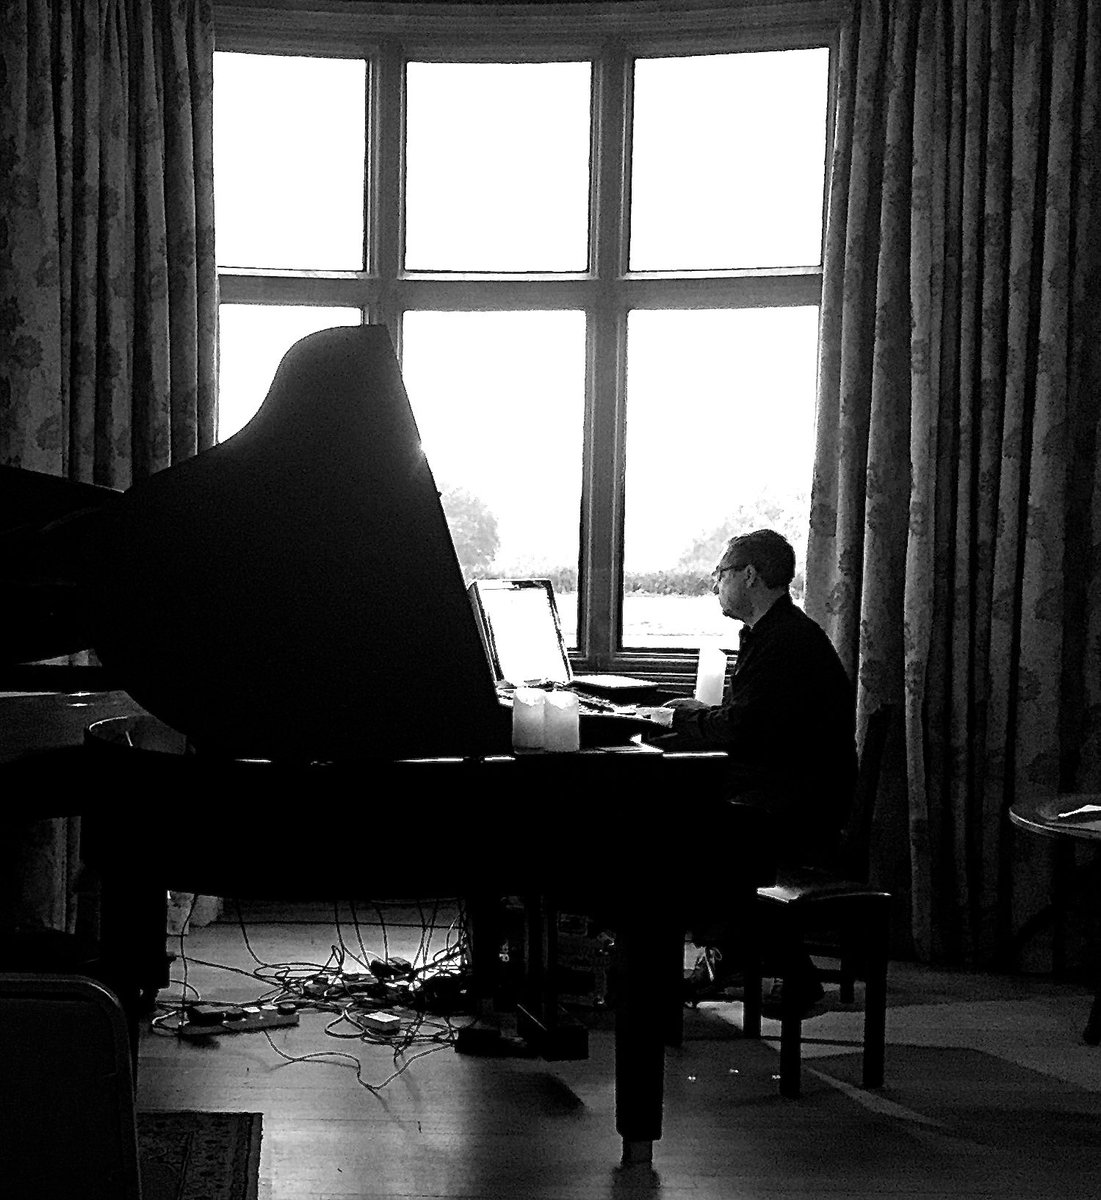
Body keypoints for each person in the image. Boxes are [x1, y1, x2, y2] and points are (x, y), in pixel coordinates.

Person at [638, 528, 858, 1010]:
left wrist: (676, 720)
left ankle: (737, 957)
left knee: (683, 832)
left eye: (721, 574)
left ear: (750, 575)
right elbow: (756, 718)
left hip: (801, 802)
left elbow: (743, 729)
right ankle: (736, 953)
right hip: (792, 785)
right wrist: (700, 715)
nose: (716, 584)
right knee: (688, 819)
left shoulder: (784, 641)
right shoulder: (775, 632)